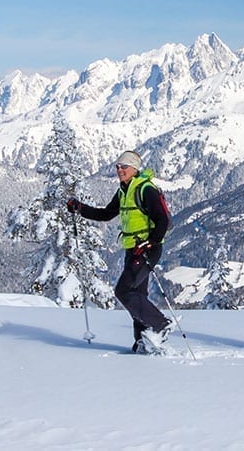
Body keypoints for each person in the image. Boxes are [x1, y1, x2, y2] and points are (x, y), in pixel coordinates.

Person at [66, 150, 173, 354]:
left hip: (147, 249)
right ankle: (144, 341)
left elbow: (163, 221)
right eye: (117, 166)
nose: (119, 170)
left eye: (124, 167)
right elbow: (106, 214)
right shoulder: (124, 190)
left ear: (134, 168)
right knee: (137, 294)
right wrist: (79, 208)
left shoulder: (146, 190)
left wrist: (151, 242)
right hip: (132, 249)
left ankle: (160, 324)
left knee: (124, 291)